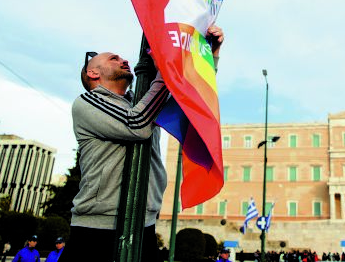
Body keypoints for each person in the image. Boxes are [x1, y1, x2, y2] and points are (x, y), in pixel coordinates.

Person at [59, 26, 224, 262]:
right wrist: (166, 72)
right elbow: (136, 124)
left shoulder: (145, 102)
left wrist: (209, 54)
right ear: (93, 73)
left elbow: (190, 94)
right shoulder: (87, 102)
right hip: (98, 229)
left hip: (144, 223)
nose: (123, 59)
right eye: (113, 59)